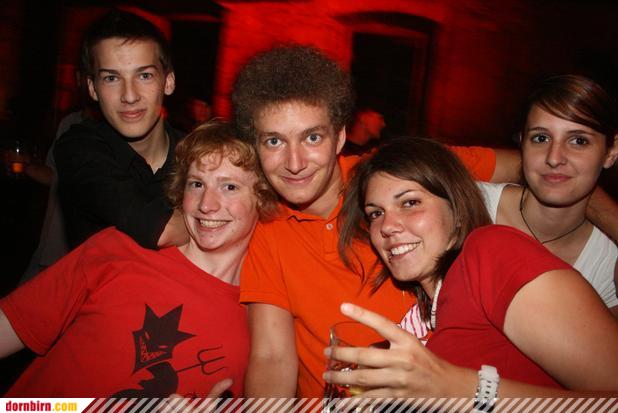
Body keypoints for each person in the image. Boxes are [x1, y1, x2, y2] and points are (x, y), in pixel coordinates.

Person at [232, 44, 520, 397]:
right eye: (274, 141)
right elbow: (272, 358)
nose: (294, 162)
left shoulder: (392, 179)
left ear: (339, 136)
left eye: (312, 137)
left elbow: (537, 165)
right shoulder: (268, 228)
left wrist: (588, 224)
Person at [327, 136, 618, 401]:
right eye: (376, 213)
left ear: (456, 209)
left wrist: (453, 385)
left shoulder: (490, 253)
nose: (387, 226)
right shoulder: (427, 317)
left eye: (410, 202)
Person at [0, 120, 277, 397]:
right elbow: (10, 327)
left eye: (229, 187)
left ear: (262, 197)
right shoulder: (120, 250)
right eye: (196, 184)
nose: (206, 204)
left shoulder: (265, 324)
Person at [477, 75, 618, 315]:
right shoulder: (469, 208)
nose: (554, 157)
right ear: (522, 143)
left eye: (578, 141)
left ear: (611, 152)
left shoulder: (607, 265)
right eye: (540, 138)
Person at [54, 9, 187, 250]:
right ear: (92, 88)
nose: (129, 95)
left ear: (168, 82)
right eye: (111, 78)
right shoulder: (78, 148)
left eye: (144, 75)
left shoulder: (197, 155)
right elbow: (160, 230)